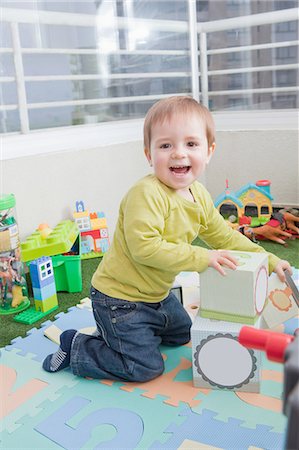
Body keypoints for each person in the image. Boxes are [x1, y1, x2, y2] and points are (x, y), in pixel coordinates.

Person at [43, 96, 292, 381]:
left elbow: (224, 236)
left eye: (191, 144)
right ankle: (77, 345)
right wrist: (202, 258)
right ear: (149, 154)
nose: (178, 153)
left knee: (183, 334)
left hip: (157, 296)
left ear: (209, 151)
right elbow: (144, 249)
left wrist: (270, 260)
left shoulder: (198, 195)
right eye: (165, 145)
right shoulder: (146, 194)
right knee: (144, 368)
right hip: (119, 300)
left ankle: (124, 336)